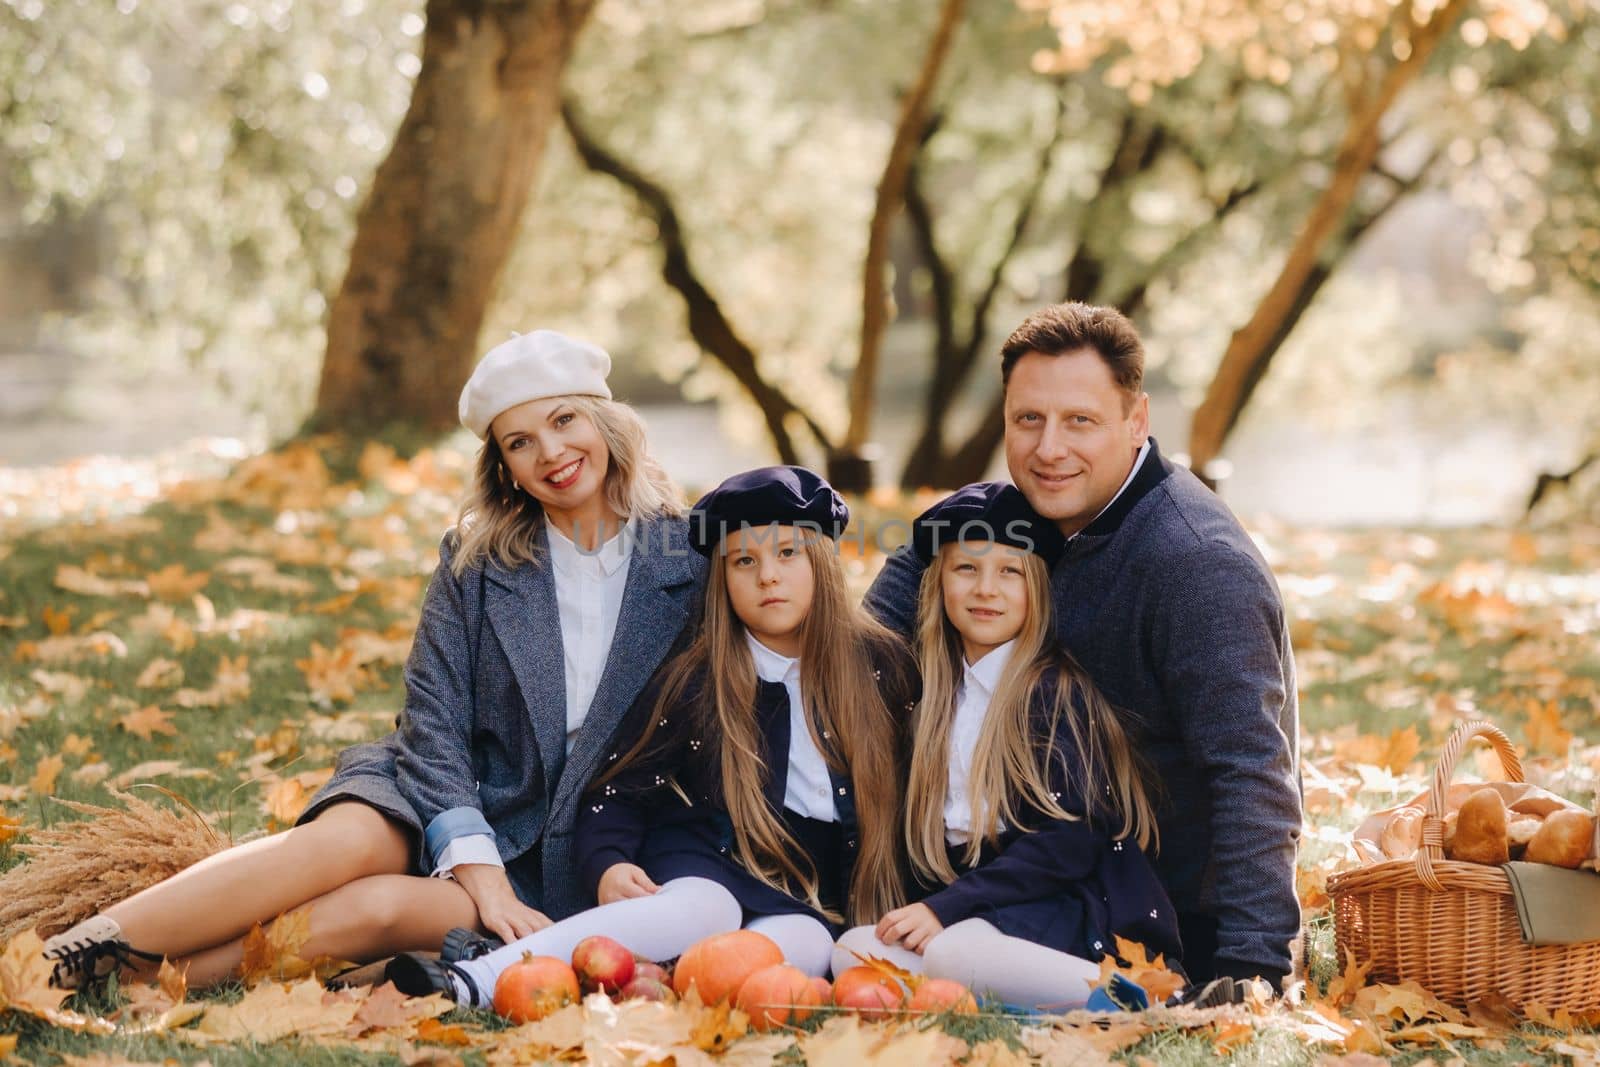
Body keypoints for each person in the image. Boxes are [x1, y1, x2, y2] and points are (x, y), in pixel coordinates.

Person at [41, 331, 707, 989]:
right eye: (520, 441)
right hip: (433, 788)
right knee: (338, 845)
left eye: (565, 420)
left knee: (379, 909)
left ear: (607, 420)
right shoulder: (474, 561)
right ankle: (71, 951)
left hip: (563, 855)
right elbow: (433, 724)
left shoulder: (688, 560)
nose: (551, 452)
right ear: (502, 465)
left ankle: (130, 980)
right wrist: (477, 866)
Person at [864, 303, 1301, 993]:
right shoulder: (1006, 524)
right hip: (991, 879)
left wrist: (1252, 965)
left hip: (1142, 910)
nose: (1048, 449)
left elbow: (1251, 770)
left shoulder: (1194, 563)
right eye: (1028, 419)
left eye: (1080, 421)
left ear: (1137, 421)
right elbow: (865, 659)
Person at [384, 466, 918, 1005]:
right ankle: (482, 977)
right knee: (709, 909)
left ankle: (653, 989)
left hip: (806, 897)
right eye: (744, 562)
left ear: (821, 562)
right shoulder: (699, 678)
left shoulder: (882, 668)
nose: (768, 578)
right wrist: (609, 863)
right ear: (722, 580)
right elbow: (621, 787)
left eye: (787, 554)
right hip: (707, 860)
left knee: (800, 949)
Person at [832, 482, 1177, 1008]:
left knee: (953, 956)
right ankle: (1015, 1006)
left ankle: (1145, 1004)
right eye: (966, 569)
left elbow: (1068, 843)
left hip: (1066, 902)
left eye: (1009, 572)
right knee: (856, 951)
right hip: (982, 909)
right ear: (938, 584)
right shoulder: (931, 697)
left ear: (1037, 587)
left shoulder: (1053, 695)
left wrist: (947, 909)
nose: (985, 590)